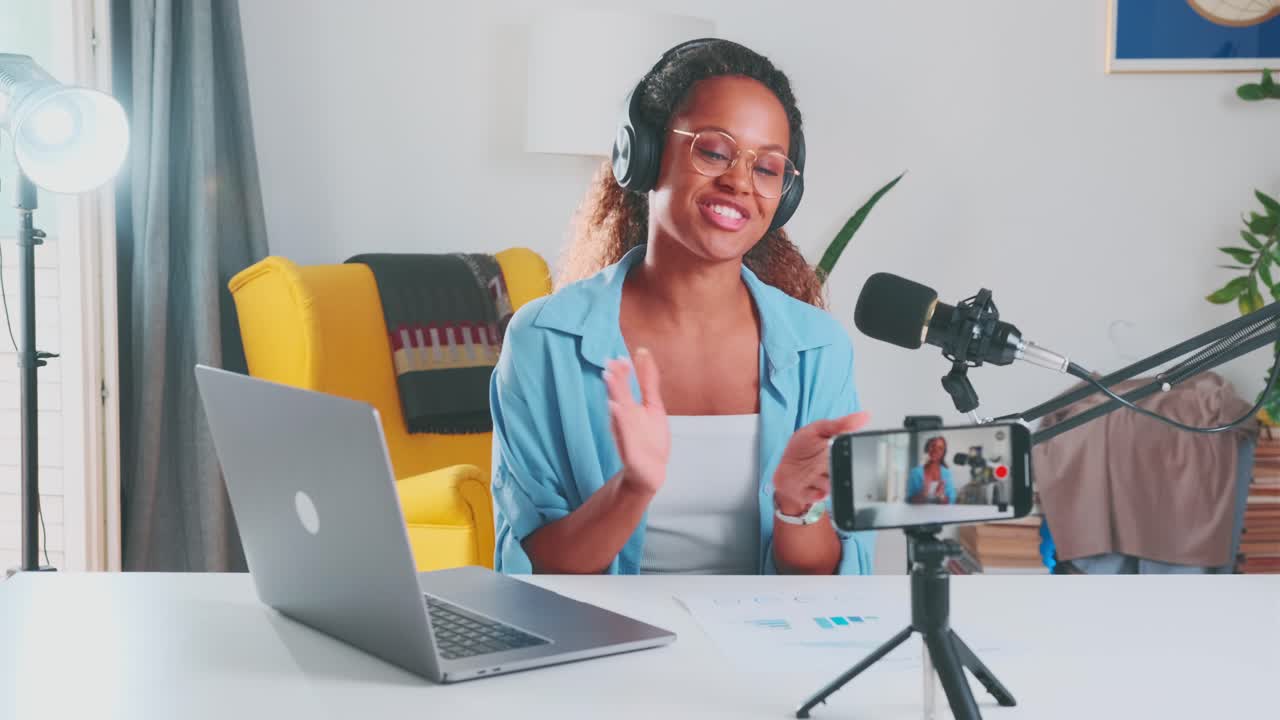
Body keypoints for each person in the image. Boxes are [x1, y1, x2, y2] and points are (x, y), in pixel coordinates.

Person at [489, 38, 874, 576]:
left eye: (766, 168)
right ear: (644, 155)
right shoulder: (543, 339)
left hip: (768, 650)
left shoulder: (819, 349)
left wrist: (796, 509)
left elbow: (830, 587)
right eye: (714, 151)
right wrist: (632, 488)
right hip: (602, 650)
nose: (740, 181)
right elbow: (531, 573)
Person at [907, 436, 955, 505]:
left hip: (941, 514)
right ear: (927, 449)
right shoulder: (915, 473)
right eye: (933, 446)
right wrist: (922, 495)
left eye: (940, 448)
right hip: (919, 515)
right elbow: (909, 500)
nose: (935, 450)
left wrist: (941, 496)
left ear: (943, 453)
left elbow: (951, 501)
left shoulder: (947, 474)